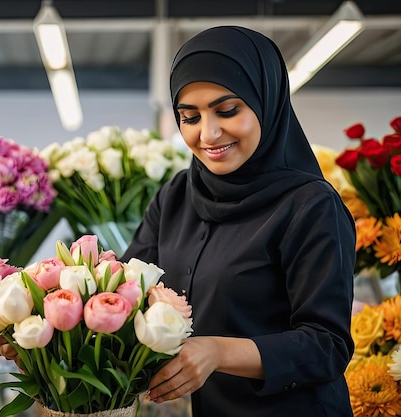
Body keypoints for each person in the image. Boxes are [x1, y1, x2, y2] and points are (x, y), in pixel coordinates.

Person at [119, 26, 356, 416]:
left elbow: (326, 345)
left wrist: (217, 351)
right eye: (189, 116)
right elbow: (127, 291)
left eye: (227, 111)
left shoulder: (311, 206)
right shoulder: (176, 195)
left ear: (266, 102)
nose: (208, 134)